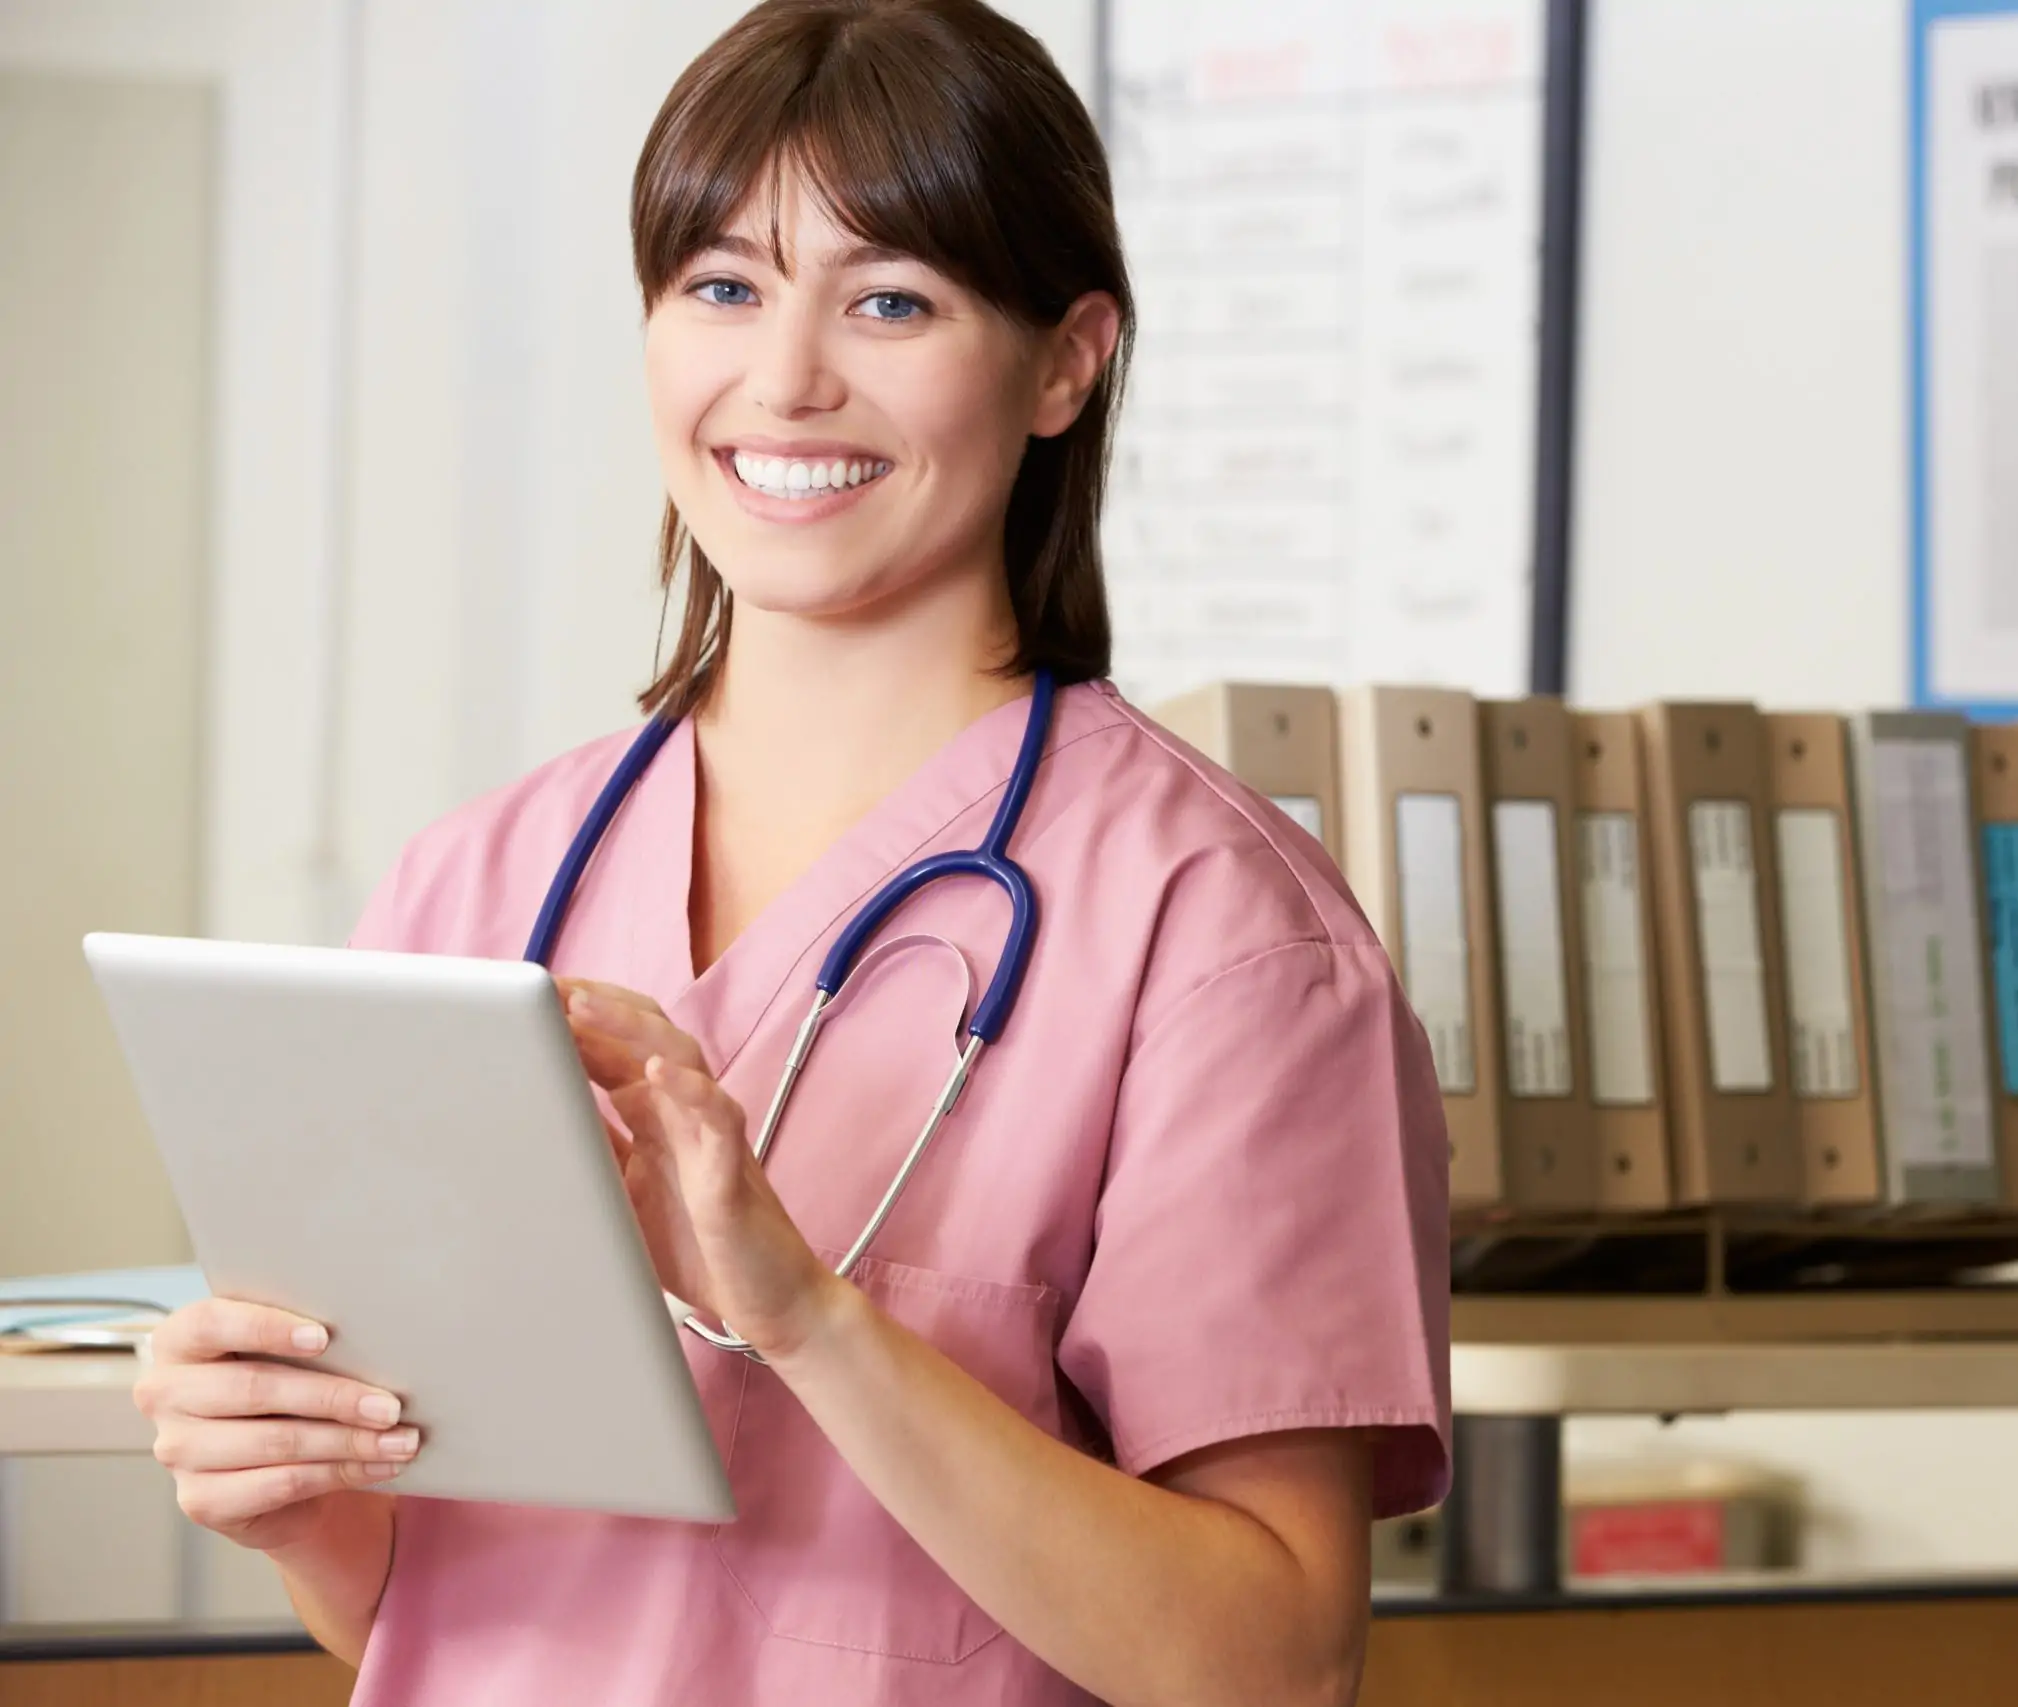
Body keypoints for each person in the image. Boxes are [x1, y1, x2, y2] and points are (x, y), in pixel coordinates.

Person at [129, 3, 1453, 1701]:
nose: (785, 378)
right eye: (722, 287)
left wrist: (814, 1321)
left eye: (891, 298)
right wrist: (298, 1498)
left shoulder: (1222, 937)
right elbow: (445, 1598)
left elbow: (1272, 1664)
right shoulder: (470, 888)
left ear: (1066, 361)